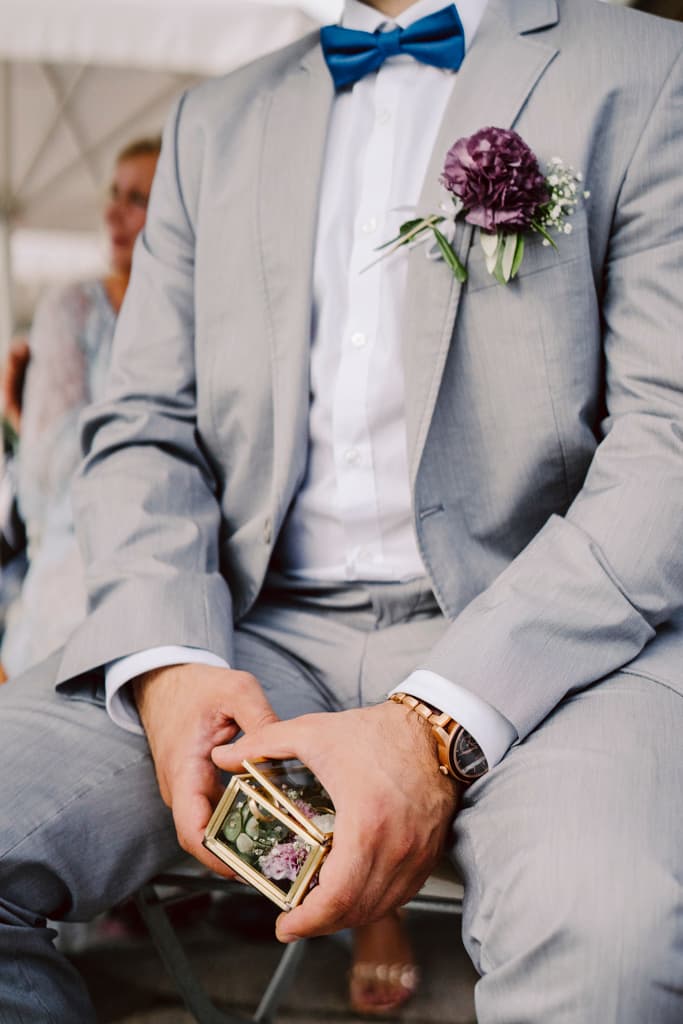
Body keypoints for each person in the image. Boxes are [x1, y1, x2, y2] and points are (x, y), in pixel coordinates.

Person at [0, 1, 682, 1022]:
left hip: (558, 645)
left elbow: (666, 440)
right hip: (248, 631)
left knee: (608, 945)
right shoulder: (208, 121)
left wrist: (431, 726)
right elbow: (142, 427)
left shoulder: (653, 69)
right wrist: (169, 664)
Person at [0, 137, 161, 678]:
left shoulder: (200, 316)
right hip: (73, 580)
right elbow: (50, 475)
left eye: (138, 199)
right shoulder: (72, 307)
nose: (113, 212)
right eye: (114, 193)